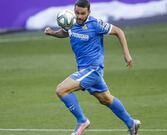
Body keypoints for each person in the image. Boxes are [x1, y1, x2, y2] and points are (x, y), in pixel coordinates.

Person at [44, 0, 141, 135]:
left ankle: (82, 121)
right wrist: (53, 33)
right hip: (84, 70)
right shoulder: (71, 22)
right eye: (77, 13)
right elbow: (66, 32)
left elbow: (118, 31)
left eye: (82, 13)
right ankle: (132, 123)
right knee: (106, 99)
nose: (79, 16)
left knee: (61, 90)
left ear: (89, 12)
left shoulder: (95, 24)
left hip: (93, 69)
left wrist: (126, 54)